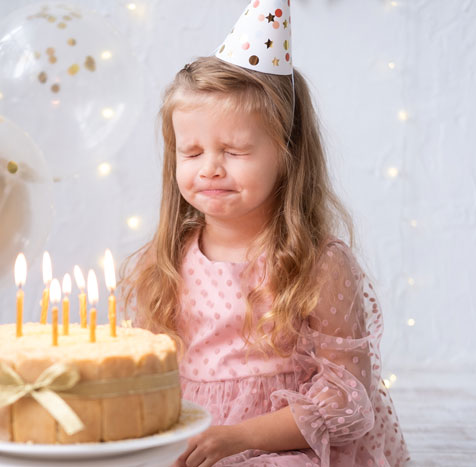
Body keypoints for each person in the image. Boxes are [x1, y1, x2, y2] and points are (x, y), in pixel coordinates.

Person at [121, 2, 410, 466]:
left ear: (287, 152)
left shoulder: (317, 264)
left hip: (285, 447)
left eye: (234, 150)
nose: (211, 168)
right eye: (191, 152)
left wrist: (235, 438)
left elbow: (349, 401)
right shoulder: (167, 260)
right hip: (191, 447)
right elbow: (145, 375)